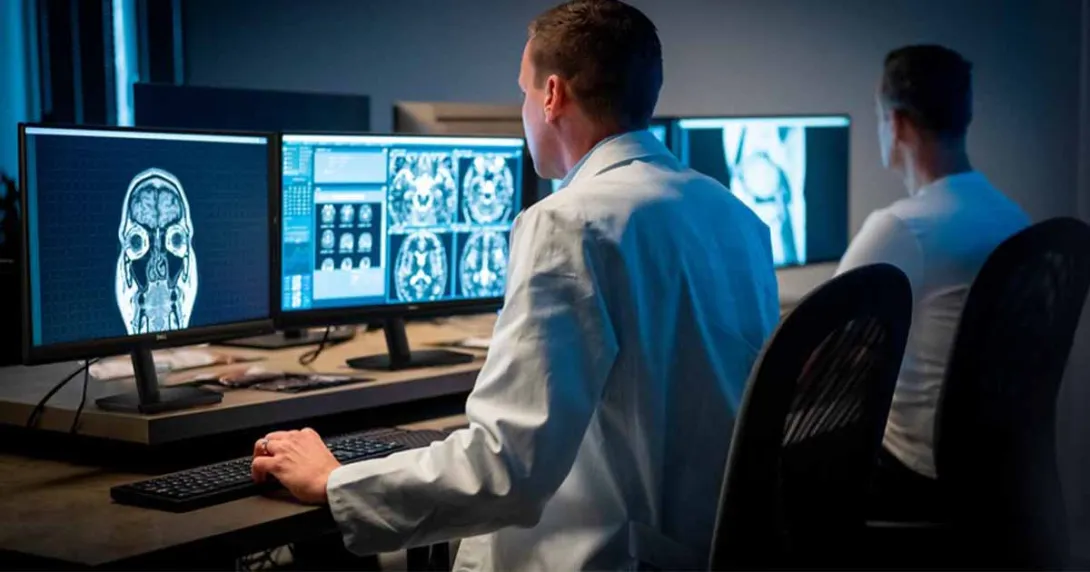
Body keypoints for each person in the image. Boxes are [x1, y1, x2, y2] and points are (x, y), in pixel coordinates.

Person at [250, 0, 779, 569]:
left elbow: (507, 469)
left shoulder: (569, 222)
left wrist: (336, 480)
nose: (524, 109)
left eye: (524, 92)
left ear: (552, 96)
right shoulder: (734, 214)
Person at [837, 44, 1030, 517]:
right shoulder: (1013, 218)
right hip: (993, 472)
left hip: (912, 475)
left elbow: (819, 348)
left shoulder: (902, 228)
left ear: (897, 124)